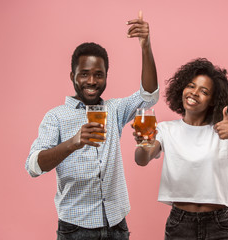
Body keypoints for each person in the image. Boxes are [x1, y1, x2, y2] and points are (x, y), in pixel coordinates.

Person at [25, 11, 158, 240]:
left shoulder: (114, 109)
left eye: (98, 74)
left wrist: (145, 46)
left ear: (106, 76)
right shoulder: (56, 117)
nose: (91, 81)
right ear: (72, 76)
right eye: (84, 74)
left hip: (117, 225)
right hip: (76, 229)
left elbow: (149, 96)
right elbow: (33, 166)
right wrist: (73, 143)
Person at [133, 58, 228, 239]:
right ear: (182, 89)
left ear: (212, 101)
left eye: (204, 91)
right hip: (180, 223)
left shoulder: (224, 131)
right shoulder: (166, 129)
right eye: (191, 86)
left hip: (219, 224)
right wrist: (143, 143)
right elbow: (141, 160)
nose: (194, 93)